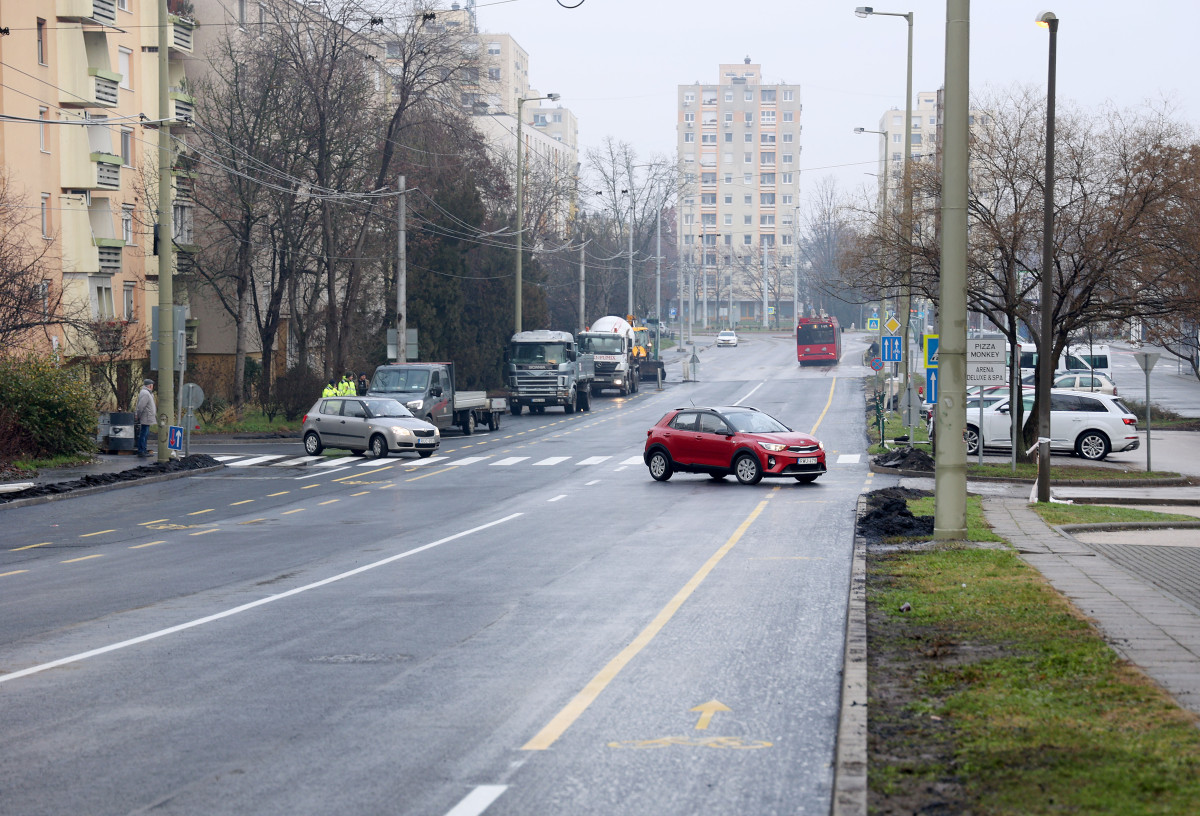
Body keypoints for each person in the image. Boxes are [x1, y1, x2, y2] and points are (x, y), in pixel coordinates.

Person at [135, 378, 156, 457]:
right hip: (146, 416)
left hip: (147, 416)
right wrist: (138, 415)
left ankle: (143, 449)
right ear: (150, 386)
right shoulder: (146, 393)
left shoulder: (148, 393)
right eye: (152, 385)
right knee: (144, 434)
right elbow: (141, 406)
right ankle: (141, 451)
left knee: (145, 434)